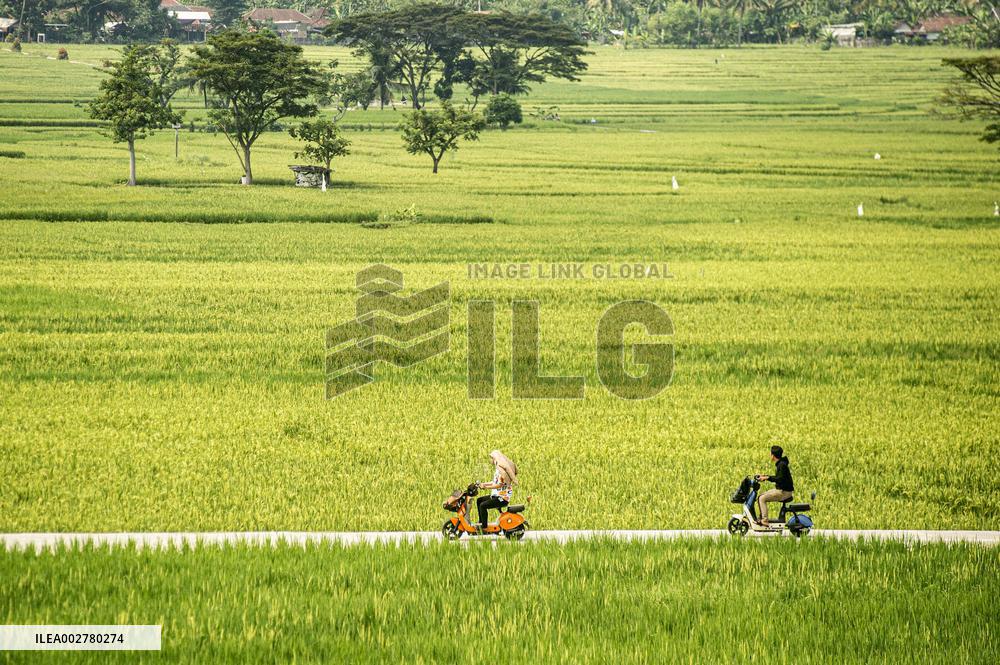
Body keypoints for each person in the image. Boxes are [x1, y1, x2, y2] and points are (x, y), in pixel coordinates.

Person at [476, 450, 517, 532]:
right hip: (496, 495)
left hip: (502, 498)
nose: (490, 460)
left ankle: (484, 527)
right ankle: (481, 522)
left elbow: (499, 485)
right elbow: (494, 482)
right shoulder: (498, 470)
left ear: (494, 458)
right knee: (479, 500)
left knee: (482, 505)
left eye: (490, 458)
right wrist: (483, 484)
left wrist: (486, 487)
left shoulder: (502, 472)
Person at [755, 445, 794, 524]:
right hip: (782, 490)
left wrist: (767, 478)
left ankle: (764, 520)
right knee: (760, 496)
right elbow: (778, 477)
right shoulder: (781, 463)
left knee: (762, 498)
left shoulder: (782, 465)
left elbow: (779, 478)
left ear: (773, 455)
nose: (770, 455)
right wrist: (765, 476)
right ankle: (761, 517)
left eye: (770, 454)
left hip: (784, 492)